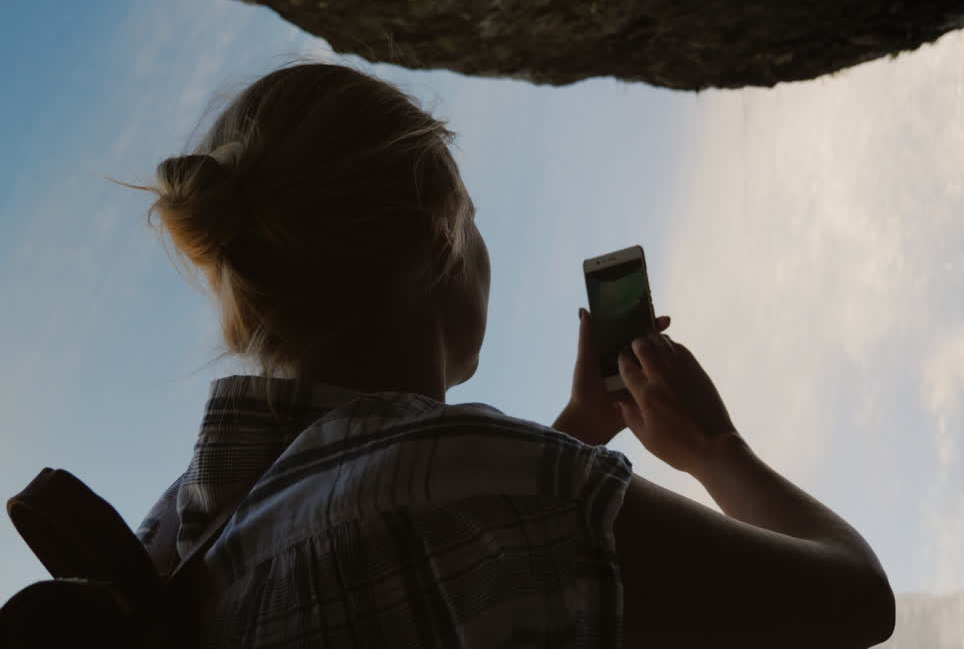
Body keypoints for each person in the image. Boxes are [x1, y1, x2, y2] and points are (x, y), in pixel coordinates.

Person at [109, 61, 895, 648]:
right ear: (432, 240)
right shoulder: (487, 481)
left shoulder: (182, 520)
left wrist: (577, 430)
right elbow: (856, 599)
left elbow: (443, 526)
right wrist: (714, 449)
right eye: (472, 217)